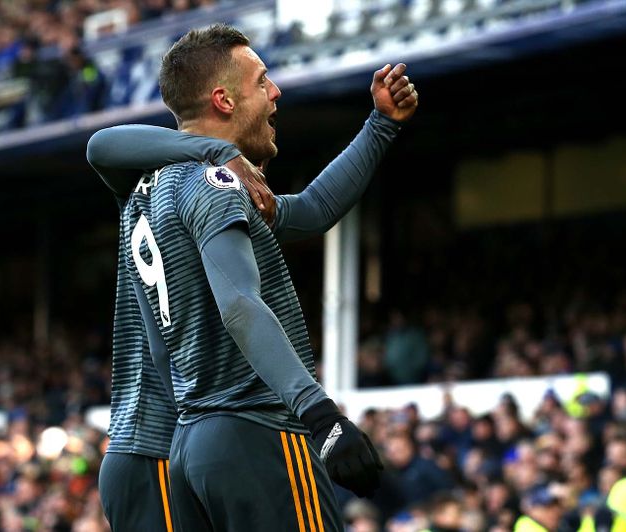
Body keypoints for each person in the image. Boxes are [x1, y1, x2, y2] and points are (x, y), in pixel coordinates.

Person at [88, 22, 417, 531]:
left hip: (177, 441)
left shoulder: (145, 186)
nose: (276, 92)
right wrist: (322, 416)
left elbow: (310, 208)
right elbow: (240, 305)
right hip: (232, 430)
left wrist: (380, 125)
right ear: (223, 99)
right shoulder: (214, 181)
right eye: (263, 81)